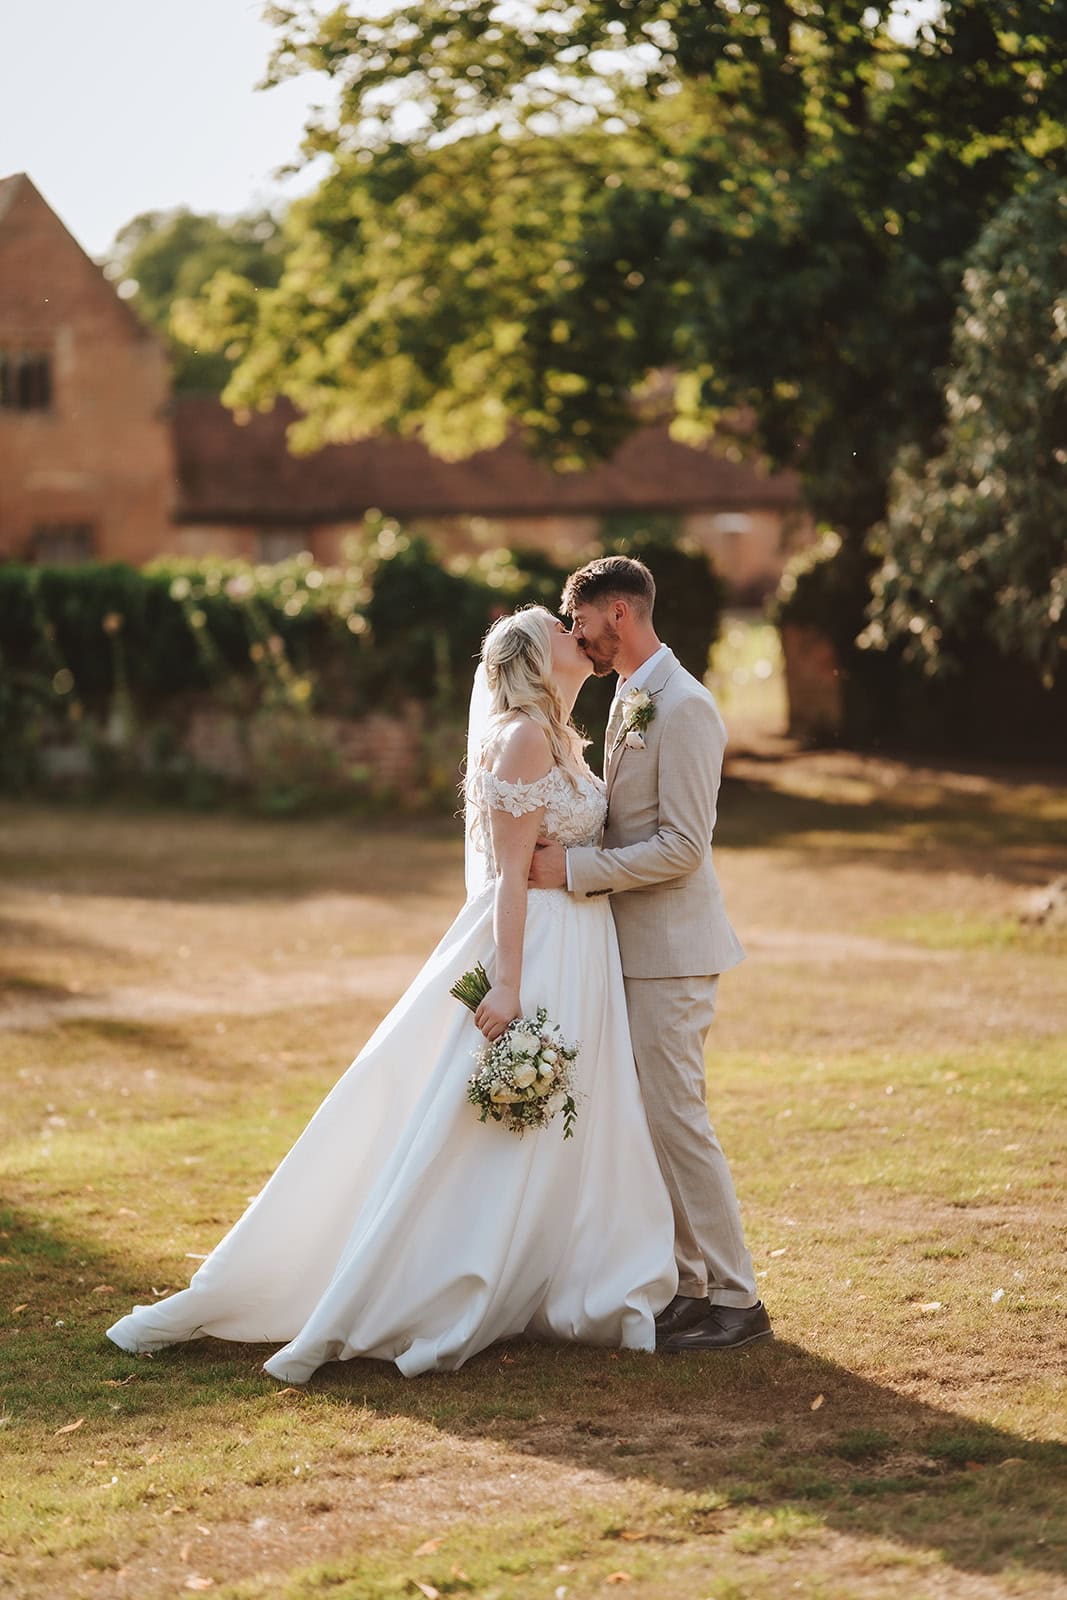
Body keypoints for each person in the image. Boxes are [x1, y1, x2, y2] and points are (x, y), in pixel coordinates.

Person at [106, 605, 678, 1381]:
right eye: (554, 625)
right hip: (537, 947)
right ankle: (425, 1278)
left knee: (561, 1114)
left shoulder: (561, 737)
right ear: (530, 659)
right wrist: (509, 984)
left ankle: (557, 1270)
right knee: (476, 1120)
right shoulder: (521, 739)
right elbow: (510, 879)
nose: (569, 628)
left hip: (580, 948)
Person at [529, 556, 771, 1352]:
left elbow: (682, 848)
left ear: (619, 612)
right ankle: (690, 1287)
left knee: (679, 1121)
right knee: (654, 1125)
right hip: (630, 948)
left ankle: (738, 1299)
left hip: (673, 952)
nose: (577, 638)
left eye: (581, 621)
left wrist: (573, 870)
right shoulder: (628, 695)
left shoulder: (686, 706)